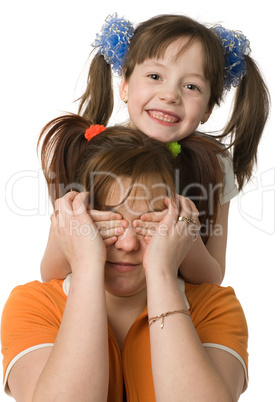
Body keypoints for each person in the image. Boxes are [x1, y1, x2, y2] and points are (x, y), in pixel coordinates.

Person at [1, 114, 248, 401]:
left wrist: (162, 273)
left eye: (148, 225)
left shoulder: (214, 308)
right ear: (76, 222)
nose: (128, 244)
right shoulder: (33, 305)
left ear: (176, 224)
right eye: (109, 224)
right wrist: (86, 266)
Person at [40, 13, 270, 286]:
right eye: (155, 76)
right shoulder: (92, 150)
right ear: (125, 85)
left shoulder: (215, 165)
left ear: (208, 108)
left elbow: (212, 278)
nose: (170, 95)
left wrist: (186, 238)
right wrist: (74, 231)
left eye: (191, 86)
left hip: (174, 313)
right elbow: (49, 275)